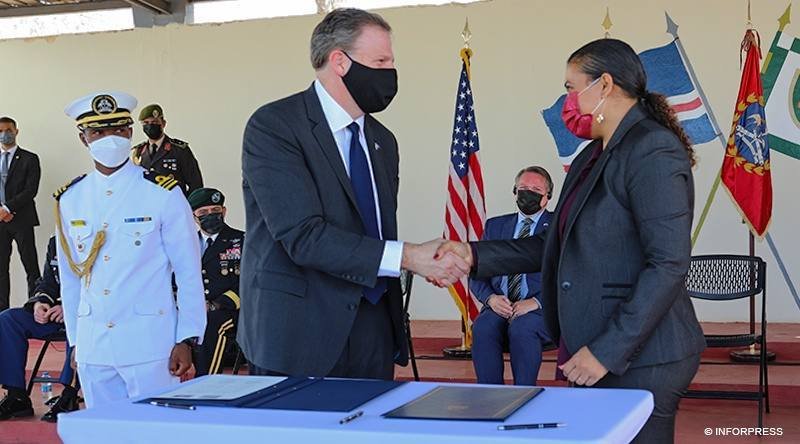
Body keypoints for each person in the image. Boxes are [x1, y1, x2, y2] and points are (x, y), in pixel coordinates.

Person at [436, 39, 705, 443]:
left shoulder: (652, 149)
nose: (567, 101)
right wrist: (471, 254)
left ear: (604, 85)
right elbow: (554, 244)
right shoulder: (590, 156)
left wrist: (608, 351)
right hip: (593, 346)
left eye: (570, 87)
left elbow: (667, 264)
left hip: (642, 356)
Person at [239, 8, 468, 380]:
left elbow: (374, 231)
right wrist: (410, 257)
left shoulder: (383, 141)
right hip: (299, 333)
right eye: (380, 61)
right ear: (340, 62)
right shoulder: (275, 126)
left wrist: (425, 261)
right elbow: (303, 236)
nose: (391, 72)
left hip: (373, 328)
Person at [57, 91, 206, 408]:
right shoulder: (71, 199)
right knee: (102, 430)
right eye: (98, 132)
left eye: (118, 130)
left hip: (150, 344)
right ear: (83, 138)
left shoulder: (162, 192)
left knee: (156, 429)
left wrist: (187, 337)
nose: (109, 139)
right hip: (94, 345)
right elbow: (70, 279)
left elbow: (189, 270)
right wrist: (76, 341)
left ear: (129, 133)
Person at [469, 166, 553, 386]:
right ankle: (490, 395)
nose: (528, 193)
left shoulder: (558, 227)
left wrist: (536, 302)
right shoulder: (495, 226)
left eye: (536, 190)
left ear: (547, 197)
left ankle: (523, 393)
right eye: (523, 188)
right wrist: (490, 299)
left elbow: (569, 275)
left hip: (541, 309)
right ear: (515, 191)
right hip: (500, 304)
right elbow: (477, 272)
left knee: (522, 328)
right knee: (482, 327)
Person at [0, 236, 79, 422]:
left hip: (85, 314)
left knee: (77, 327)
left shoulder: (98, 237)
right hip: (54, 313)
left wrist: (70, 308)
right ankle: (17, 395)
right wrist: (40, 303)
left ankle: (69, 395)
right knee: (8, 319)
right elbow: (47, 282)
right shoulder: (56, 241)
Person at [187, 187, 244, 376]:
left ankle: (206, 380)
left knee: (212, 324)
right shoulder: (186, 243)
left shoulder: (242, 240)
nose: (210, 215)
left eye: (215, 210)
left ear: (224, 211)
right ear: (194, 216)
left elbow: (248, 282)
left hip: (230, 310)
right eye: (203, 212)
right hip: (192, 309)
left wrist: (215, 305)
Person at [0, 117, 41, 312]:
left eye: (8, 130)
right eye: (0, 131)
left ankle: (35, 307)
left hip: (22, 219)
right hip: (0, 221)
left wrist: (8, 208)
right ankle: (2, 311)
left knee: (30, 265)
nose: (4, 134)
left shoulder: (29, 158)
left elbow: (31, 190)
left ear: (16, 131)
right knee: (1, 268)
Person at [131, 104, 204, 195]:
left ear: (163, 123)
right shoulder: (138, 152)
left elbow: (196, 184)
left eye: (154, 122)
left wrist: (185, 203)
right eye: (146, 123)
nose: (150, 125)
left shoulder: (179, 150)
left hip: (174, 202)